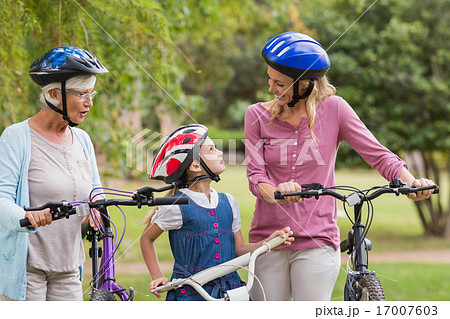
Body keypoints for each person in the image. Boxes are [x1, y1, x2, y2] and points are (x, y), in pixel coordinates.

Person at [244, 32, 435, 301]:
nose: (270, 89)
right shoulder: (256, 115)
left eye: (280, 83)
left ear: (305, 86)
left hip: (317, 239)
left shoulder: (334, 109)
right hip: (268, 239)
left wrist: (411, 181)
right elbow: (255, 176)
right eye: (269, 79)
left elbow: (378, 155)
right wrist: (277, 193)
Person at [0, 46, 108, 301]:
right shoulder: (16, 137)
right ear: (53, 94)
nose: (89, 103)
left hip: (69, 267)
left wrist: (97, 209)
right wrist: (26, 216)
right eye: (82, 94)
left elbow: (95, 188)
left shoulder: (82, 139)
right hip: (26, 268)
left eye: (91, 93)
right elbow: (1, 200)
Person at [140, 124, 294, 301]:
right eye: (212, 149)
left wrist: (268, 242)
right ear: (195, 166)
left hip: (231, 292)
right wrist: (157, 275)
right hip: (192, 294)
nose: (220, 152)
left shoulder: (228, 201)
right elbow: (146, 238)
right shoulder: (176, 206)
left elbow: (239, 250)